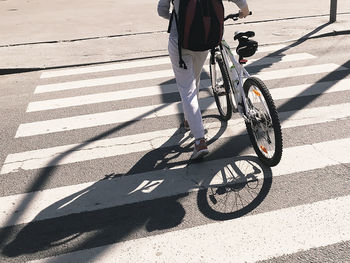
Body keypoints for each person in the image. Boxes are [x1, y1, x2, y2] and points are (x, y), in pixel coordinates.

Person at [157, 0, 250, 160]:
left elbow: (161, 10)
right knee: (195, 79)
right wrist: (245, 10)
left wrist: (178, 17)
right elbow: (239, 1)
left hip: (180, 42)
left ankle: (200, 140)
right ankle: (188, 119)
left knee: (187, 89)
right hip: (204, 40)